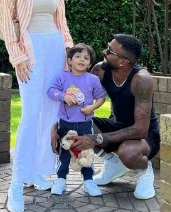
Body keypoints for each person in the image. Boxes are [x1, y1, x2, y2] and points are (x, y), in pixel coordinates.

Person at [0, 0, 73, 212]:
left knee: (51, 113)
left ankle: (38, 171)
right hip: (29, 51)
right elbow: (8, 24)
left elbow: (61, 22)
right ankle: (16, 184)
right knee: (30, 115)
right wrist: (16, 57)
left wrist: (68, 52)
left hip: (54, 48)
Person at [67, 34, 159, 200]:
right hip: (116, 125)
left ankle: (144, 169)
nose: (104, 51)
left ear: (123, 62)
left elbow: (140, 129)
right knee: (75, 126)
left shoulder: (142, 80)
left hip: (144, 136)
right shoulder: (100, 70)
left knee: (128, 152)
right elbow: (81, 98)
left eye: (109, 51)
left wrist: (96, 139)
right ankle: (113, 163)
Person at [47, 43, 105, 197]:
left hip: (85, 124)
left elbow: (101, 98)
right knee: (64, 152)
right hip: (65, 124)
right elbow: (51, 91)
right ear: (70, 61)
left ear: (90, 63)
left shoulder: (92, 79)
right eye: (78, 56)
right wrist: (63, 96)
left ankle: (88, 181)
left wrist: (92, 108)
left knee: (85, 152)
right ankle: (60, 179)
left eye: (86, 58)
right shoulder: (63, 77)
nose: (82, 60)